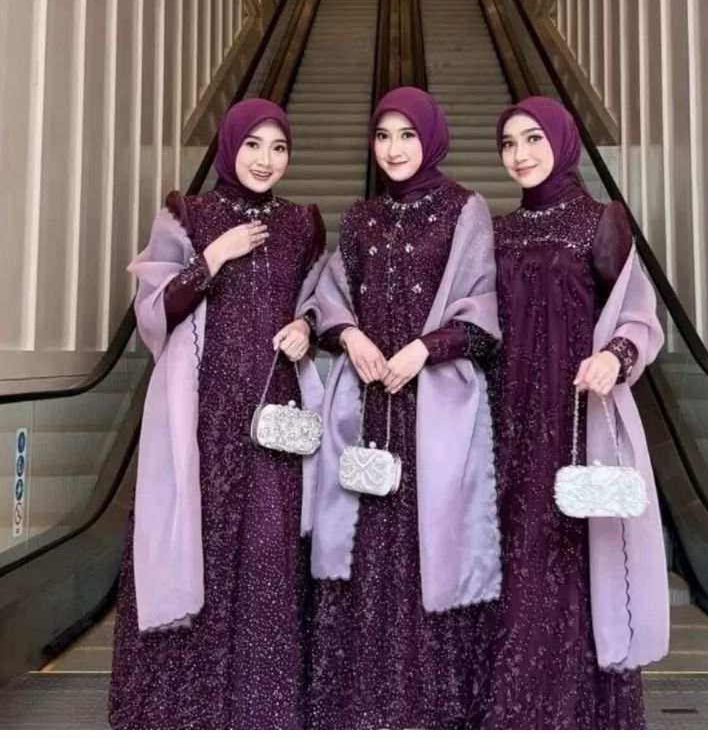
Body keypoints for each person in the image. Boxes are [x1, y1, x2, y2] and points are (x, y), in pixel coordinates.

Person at [108, 98, 326, 729]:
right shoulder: (189, 213)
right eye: (253, 145)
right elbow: (154, 315)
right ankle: (184, 709)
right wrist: (214, 256)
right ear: (231, 146)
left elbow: (320, 301)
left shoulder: (303, 223)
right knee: (196, 541)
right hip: (200, 416)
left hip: (271, 414)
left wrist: (306, 327)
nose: (265, 160)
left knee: (268, 550)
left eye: (278, 148)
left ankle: (263, 709)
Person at [304, 87, 501, 729]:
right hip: (368, 403)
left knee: (429, 545)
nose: (393, 149)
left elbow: (484, 311)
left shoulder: (465, 210)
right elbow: (329, 297)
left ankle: (429, 709)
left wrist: (424, 348)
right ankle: (358, 706)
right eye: (383, 135)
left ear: (431, 137)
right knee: (362, 544)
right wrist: (350, 336)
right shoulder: (360, 217)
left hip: (433, 406)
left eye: (407, 135)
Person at [480, 95, 669, 729]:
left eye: (533, 138)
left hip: (574, 419)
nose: (520, 154)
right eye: (509, 143)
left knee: (572, 558)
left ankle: (575, 713)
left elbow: (639, 314)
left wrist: (615, 355)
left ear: (561, 141)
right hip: (505, 422)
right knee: (514, 559)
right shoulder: (497, 232)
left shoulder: (601, 221)